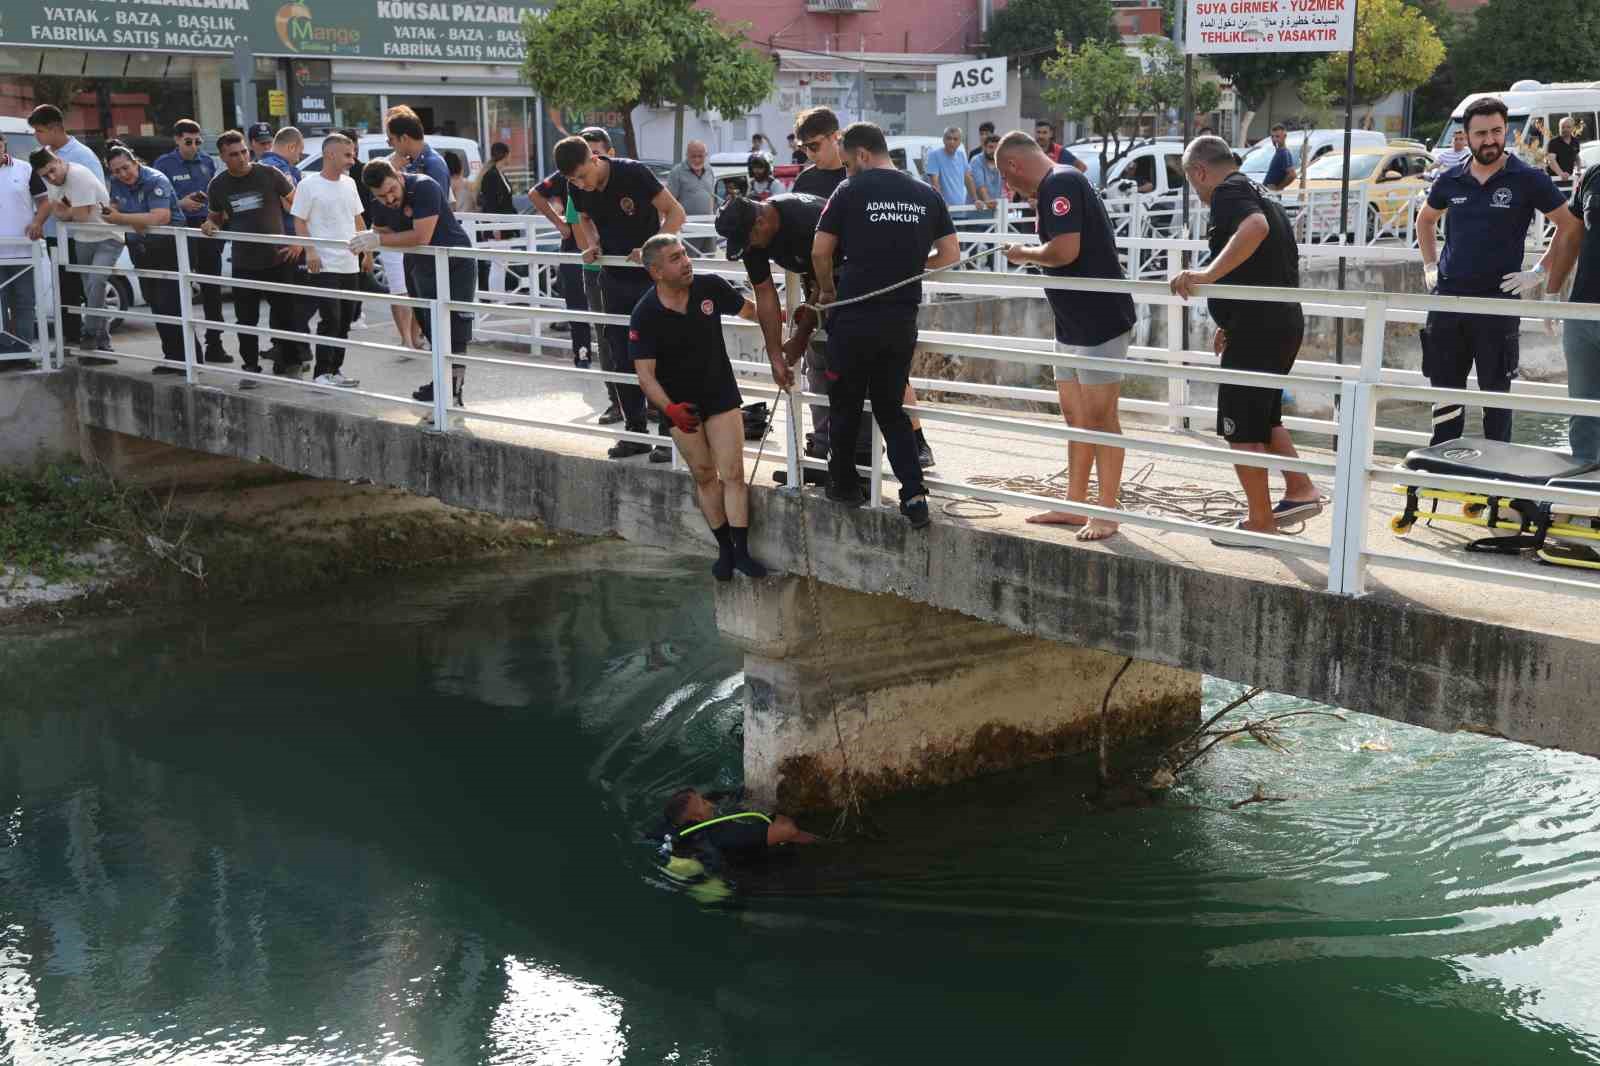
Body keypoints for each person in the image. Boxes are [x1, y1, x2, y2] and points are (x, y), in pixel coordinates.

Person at [1170, 135, 1323, 540]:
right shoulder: (1259, 189)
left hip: (1261, 330)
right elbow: (1265, 261)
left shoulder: (1229, 192)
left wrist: (1205, 276)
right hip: (1277, 323)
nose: (1198, 193)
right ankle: (1299, 488)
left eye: (1192, 183)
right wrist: (1232, 318)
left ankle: (1259, 521)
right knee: (1264, 417)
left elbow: (1253, 230)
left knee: (1241, 428)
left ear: (1199, 172)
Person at [813, 122, 960, 529]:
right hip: (900, 319)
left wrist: (826, 290)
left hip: (854, 318)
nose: (845, 172)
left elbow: (820, 248)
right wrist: (911, 271)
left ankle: (843, 485)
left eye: (847, 164)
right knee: (891, 410)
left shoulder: (849, 191)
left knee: (844, 404)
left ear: (861, 155)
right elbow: (950, 254)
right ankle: (913, 496)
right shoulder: (926, 195)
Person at [1416, 96, 1581, 445]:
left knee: (1496, 395)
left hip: (1498, 301)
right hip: (1448, 301)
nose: (1489, 140)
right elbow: (1425, 219)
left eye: (1496, 131)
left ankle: (1494, 482)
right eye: (1480, 134)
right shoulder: (1450, 179)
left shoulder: (1527, 178)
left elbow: (1569, 226)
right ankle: (1445, 465)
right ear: (1467, 136)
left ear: (1506, 131)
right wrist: (1430, 265)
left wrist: (1537, 272)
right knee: (1445, 391)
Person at [998, 131, 1137, 542]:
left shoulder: (1060, 182)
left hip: (1099, 320)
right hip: (1072, 321)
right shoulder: (1060, 182)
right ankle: (1075, 504)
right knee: (1077, 417)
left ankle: (1106, 511)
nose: (1010, 189)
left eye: (1007, 180)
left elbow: (1065, 251)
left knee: (1100, 419)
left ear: (1013, 165)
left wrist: (1024, 253)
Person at [790, 107, 936, 467]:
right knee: (823, 372)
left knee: (890, 376)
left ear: (836, 139)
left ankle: (915, 440)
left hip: (866, 285)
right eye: (804, 148)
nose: (810, 153)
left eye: (814, 145)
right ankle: (827, 446)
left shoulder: (859, 174)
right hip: (823, 287)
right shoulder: (804, 183)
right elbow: (802, 241)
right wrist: (816, 288)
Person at [631, 233, 768, 579]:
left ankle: (741, 552)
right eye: (676, 258)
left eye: (685, 254)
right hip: (679, 405)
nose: (686, 261)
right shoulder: (645, 314)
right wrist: (670, 409)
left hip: (720, 395)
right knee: (705, 476)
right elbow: (645, 377)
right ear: (656, 271)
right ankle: (723, 550)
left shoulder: (710, 287)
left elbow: (754, 312)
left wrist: (789, 325)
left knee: (733, 474)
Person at [557, 133, 687, 458]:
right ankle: (634, 433)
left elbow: (675, 214)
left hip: (651, 278)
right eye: (574, 180)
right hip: (613, 279)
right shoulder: (577, 187)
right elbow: (584, 217)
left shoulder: (632, 173)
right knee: (621, 357)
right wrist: (591, 244)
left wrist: (650, 249)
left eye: (584, 176)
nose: (582, 185)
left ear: (595, 159)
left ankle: (669, 439)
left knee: (661, 358)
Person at [359, 158, 476, 408]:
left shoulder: (424, 186)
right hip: (419, 263)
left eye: (392, 190)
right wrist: (372, 239)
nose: (389, 199)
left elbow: (421, 236)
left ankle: (453, 390)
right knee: (430, 325)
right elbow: (380, 229)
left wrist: (377, 241)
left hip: (454, 261)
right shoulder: (378, 203)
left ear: (399, 176)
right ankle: (441, 382)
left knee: (455, 330)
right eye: (382, 196)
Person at [202, 129, 299, 384]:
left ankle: (291, 362)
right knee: (246, 320)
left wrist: (300, 242)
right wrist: (210, 225)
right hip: (244, 263)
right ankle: (250, 367)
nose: (242, 157)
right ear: (223, 157)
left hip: (278, 258)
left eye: (244, 151)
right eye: (234, 154)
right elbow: (215, 218)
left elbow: (298, 205)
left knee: (286, 315)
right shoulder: (218, 184)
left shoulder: (269, 173)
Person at [102, 144, 193, 374]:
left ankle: (190, 359)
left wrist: (122, 218)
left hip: (167, 248)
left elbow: (161, 217)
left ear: (135, 162)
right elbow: (111, 210)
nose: (123, 174)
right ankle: (172, 358)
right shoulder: (117, 183)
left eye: (126, 168)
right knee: (156, 304)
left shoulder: (155, 180)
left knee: (172, 305)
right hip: (140, 248)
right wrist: (124, 218)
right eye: (116, 171)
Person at [292, 132, 369, 387]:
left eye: (353, 154)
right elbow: (299, 220)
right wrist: (310, 250)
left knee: (345, 320)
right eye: (347, 155)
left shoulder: (350, 184)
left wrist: (367, 251)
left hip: (350, 263)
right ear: (330, 154)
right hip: (324, 264)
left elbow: (358, 219)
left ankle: (336, 370)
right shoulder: (308, 185)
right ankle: (321, 373)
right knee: (331, 318)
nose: (352, 159)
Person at [26, 105, 104, 354]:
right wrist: (39, 221)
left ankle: (97, 343)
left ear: (56, 128)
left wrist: (67, 211)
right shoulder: (45, 155)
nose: (36, 135)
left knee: (85, 288)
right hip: (55, 234)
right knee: (63, 290)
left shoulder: (82, 156)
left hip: (80, 234)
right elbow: (50, 198)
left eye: (39, 130)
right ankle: (68, 342)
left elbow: (96, 197)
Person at [30, 147, 121, 355]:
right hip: (82, 238)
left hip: (107, 237)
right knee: (91, 291)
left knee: (97, 283)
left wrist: (69, 211)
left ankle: (89, 333)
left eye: (53, 170)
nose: (51, 178)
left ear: (59, 161)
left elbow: (77, 215)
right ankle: (102, 345)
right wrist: (71, 211)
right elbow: (60, 213)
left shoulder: (78, 175)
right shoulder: (53, 181)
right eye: (45, 175)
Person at [154, 119, 228, 363]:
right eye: (188, 142)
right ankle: (184, 347)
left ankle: (215, 344)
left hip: (205, 228)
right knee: (180, 289)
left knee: (212, 288)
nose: (194, 146)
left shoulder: (206, 161)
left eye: (197, 142)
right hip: (179, 228)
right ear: (177, 140)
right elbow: (158, 203)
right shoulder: (164, 164)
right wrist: (181, 204)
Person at [256, 127, 311, 369]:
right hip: (288, 241)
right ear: (290, 147)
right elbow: (295, 206)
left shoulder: (259, 165)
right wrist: (300, 240)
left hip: (273, 242)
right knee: (293, 303)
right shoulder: (279, 169)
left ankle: (289, 349)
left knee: (283, 301)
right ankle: (292, 353)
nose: (299, 157)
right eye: (299, 152)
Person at [664, 788, 818, 862]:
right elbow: (788, 831)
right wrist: (779, 812)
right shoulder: (723, 834)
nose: (710, 804)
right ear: (698, 818)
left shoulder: (682, 831)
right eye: (704, 803)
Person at [1565, 161, 1600, 462]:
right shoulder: (1594, 174)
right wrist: (1551, 289)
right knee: (1582, 410)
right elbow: (1571, 234)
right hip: (1583, 310)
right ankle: (1583, 491)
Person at [0, 131, 41, 351]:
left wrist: (37, 222)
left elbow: (44, 202)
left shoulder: (25, 168)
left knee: (25, 303)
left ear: (3, 143)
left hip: (23, 251)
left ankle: (23, 351)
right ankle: (4, 353)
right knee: (1, 306)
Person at [666, 140, 717, 252]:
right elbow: (669, 202)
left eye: (700, 156)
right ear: (687, 155)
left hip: (708, 227)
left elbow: (711, 197)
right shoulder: (677, 172)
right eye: (693, 156)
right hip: (687, 229)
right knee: (690, 263)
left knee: (710, 263)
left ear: (706, 155)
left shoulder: (710, 170)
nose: (697, 160)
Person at [926, 126, 978, 209]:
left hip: (960, 208)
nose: (951, 142)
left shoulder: (961, 155)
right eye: (949, 138)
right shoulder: (934, 155)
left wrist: (975, 200)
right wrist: (942, 202)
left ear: (960, 142)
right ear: (943, 140)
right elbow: (934, 183)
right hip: (943, 208)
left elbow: (968, 178)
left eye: (955, 139)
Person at [970, 133, 1005, 209]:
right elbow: (980, 185)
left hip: (994, 209)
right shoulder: (976, 161)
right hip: (977, 210)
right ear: (984, 147)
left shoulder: (1001, 161)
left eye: (997, 148)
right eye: (991, 147)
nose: (994, 151)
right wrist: (988, 201)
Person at [1262, 124, 1297, 191]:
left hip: (1271, 195)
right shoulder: (1279, 152)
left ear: (1284, 137)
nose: (1274, 139)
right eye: (1272, 137)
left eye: (1277, 136)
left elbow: (1292, 175)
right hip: (1266, 192)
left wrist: (1278, 189)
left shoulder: (1284, 153)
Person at [1548, 117, 1581, 185]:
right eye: (1562, 127)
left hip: (1569, 180)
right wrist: (1561, 174)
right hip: (1554, 181)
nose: (1565, 129)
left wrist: (1578, 170)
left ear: (1572, 128)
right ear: (1559, 128)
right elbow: (1551, 161)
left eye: (1568, 127)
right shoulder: (1553, 142)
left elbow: (1577, 157)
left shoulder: (1575, 142)